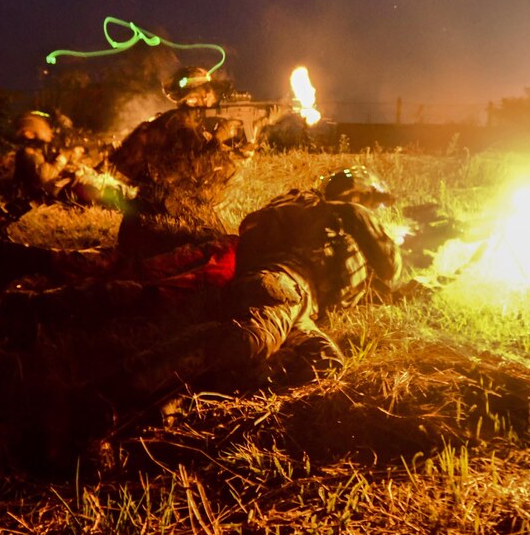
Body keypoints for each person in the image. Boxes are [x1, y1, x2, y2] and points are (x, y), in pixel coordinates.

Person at [128, 165, 403, 398]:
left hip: (298, 303)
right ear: (361, 193)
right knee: (248, 339)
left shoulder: (319, 219)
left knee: (326, 363)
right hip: (285, 286)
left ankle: (208, 384)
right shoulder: (350, 212)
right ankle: (121, 389)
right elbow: (390, 268)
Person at [107, 66, 254, 227]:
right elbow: (197, 170)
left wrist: (238, 152)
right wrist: (220, 138)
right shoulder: (181, 127)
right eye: (208, 92)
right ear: (197, 97)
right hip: (166, 220)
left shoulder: (171, 123)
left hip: (141, 219)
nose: (212, 97)